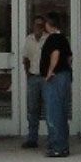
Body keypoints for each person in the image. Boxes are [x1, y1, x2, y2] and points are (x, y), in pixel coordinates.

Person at [38, 11, 73, 158]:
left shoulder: (53, 38)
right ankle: (62, 146)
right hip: (64, 77)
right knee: (62, 112)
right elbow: (70, 57)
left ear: (49, 24)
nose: (44, 25)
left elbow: (55, 54)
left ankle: (57, 147)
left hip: (55, 78)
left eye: (45, 23)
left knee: (54, 113)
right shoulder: (63, 38)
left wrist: (50, 72)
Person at [20, 15, 47, 149]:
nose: (38, 28)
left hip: (46, 78)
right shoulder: (28, 39)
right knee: (32, 109)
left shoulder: (48, 39)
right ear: (33, 26)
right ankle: (32, 139)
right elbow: (25, 58)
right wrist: (28, 74)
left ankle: (52, 138)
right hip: (33, 78)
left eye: (41, 25)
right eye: (36, 25)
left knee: (49, 109)